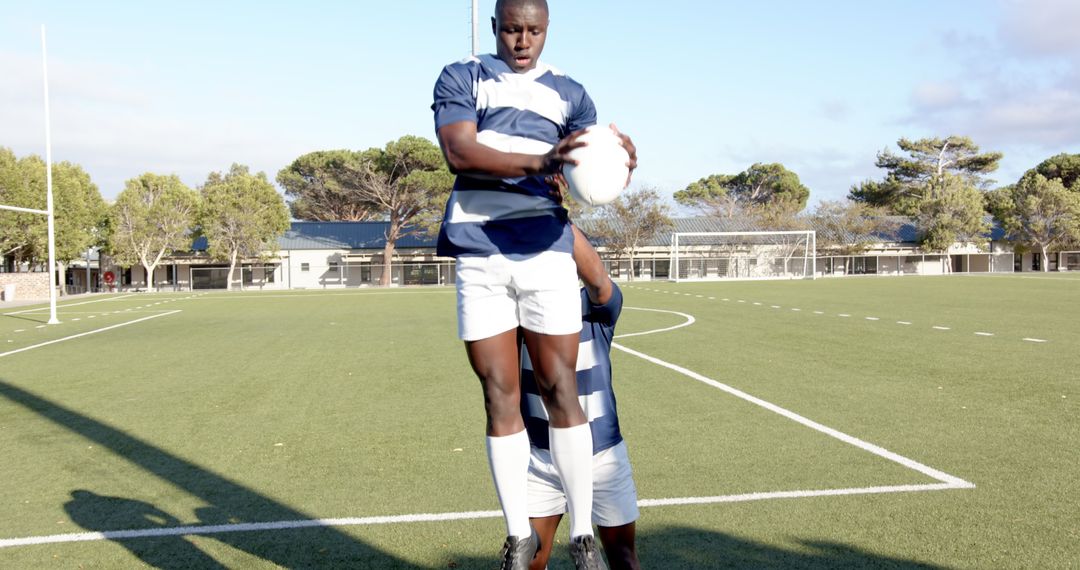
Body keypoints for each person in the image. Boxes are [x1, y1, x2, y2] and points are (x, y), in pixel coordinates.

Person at [431, 0, 636, 568]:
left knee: (559, 387)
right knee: (498, 393)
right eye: (513, 29)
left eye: (534, 31)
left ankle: (581, 535)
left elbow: (586, 164)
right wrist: (538, 162)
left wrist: (618, 163)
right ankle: (519, 534)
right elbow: (458, 151)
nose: (523, 41)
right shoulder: (463, 75)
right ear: (496, 26)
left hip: (546, 251)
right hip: (480, 252)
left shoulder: (572, 94)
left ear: (548, 30)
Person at [521, 226, 640, 570]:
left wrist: (555, 220)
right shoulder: (520, 315)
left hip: (602, 455)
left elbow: (600, 280)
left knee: (622, 558)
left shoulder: (596, 308)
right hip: (541, 458)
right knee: (530, 558)